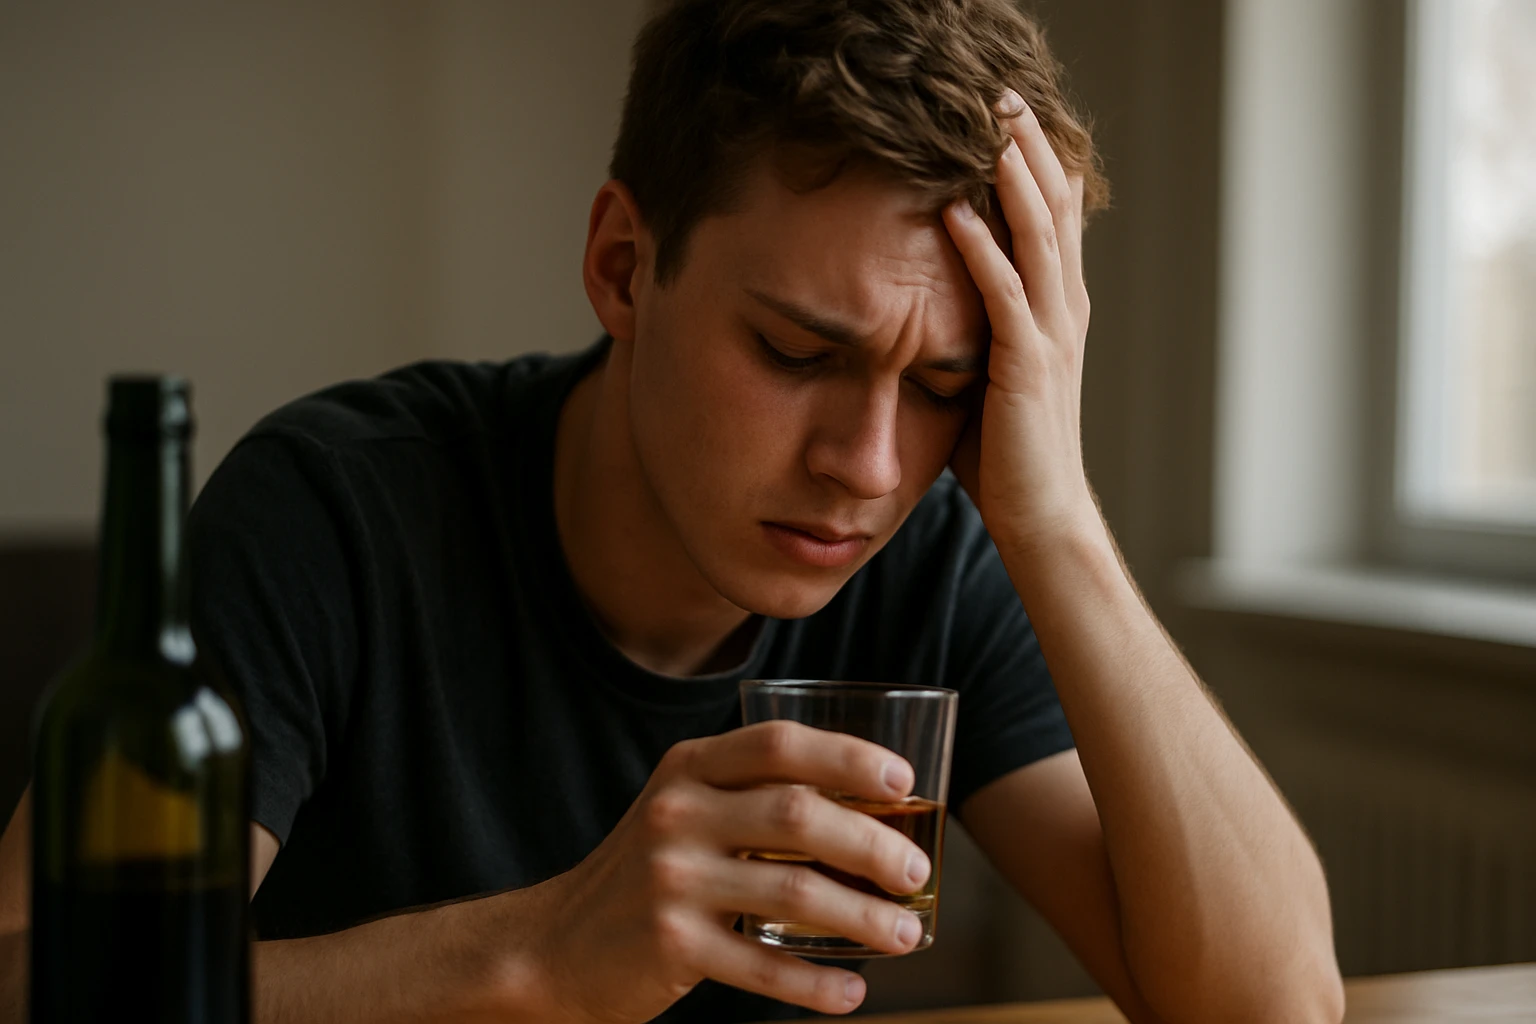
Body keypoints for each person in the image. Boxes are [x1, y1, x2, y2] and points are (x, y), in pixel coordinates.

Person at [0, 0, 1346, 1020]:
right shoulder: (334, 511)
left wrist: (1050, 512)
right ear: (622, 267)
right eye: (797, 355)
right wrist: (530, 959)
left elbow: (1279, 1008)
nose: (867, 464)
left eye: (943, 381)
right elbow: (26, 978)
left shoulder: (934, 549)